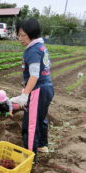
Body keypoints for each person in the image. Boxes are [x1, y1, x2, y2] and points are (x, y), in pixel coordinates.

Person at [11, 18, 54, 154]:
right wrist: (25, 90)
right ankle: (42, 145)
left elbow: (34, 75)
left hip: (38, 89)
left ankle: (30, 155)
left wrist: (25, 95)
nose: (20, 38)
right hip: (46, 87)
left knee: (30, 124)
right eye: (18, 35)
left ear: (32, 34)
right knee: (40, 119)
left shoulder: (33, 50)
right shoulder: (40, 46)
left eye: (23, 35)